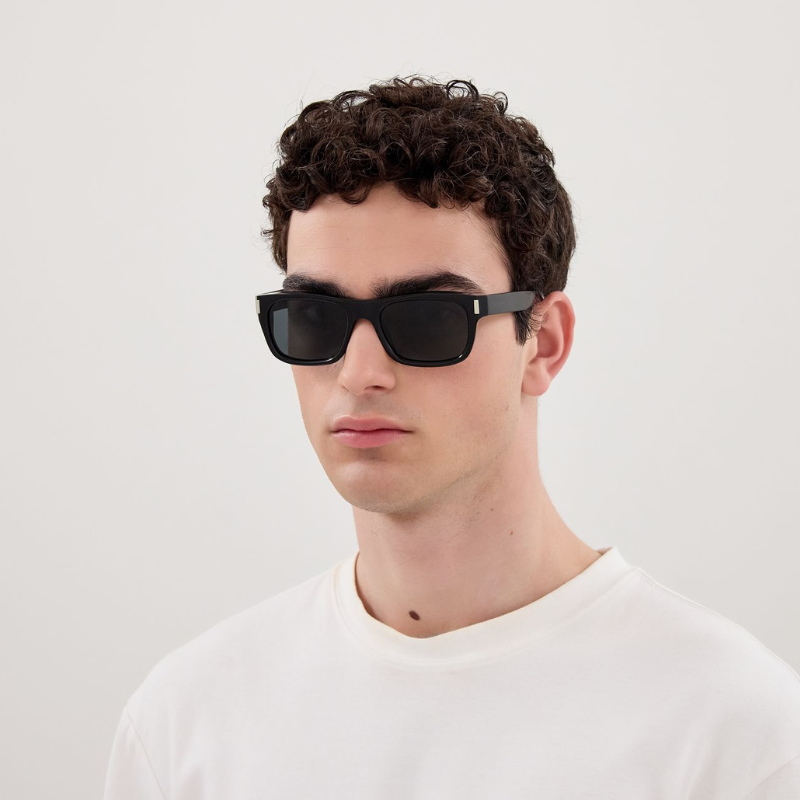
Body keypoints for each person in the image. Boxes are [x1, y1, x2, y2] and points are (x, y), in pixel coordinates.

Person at [103, 76, 800, 799]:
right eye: (315, 318)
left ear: (544, 343)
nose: (359, 373)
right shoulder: (187, 726)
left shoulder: (737, 737)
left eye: (430, 319)